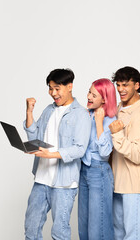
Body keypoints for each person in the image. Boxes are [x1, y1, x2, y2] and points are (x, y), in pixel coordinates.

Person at [23, 68, 91, 240]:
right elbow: (34, 137)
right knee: (31, 228)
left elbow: (79, 148)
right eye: (50, 88)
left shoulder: (81, 114)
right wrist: (29, 112)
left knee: (59, 232)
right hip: (41, 179)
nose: (53, 93)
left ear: (70, 86)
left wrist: (51, 155)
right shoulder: (48, 110)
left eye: (57, 88)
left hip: (64, 184)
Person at [109, 66, 140, 240]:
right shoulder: (120, 107)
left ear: (137, 85)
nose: (120, 89)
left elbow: (137, 154)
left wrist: (117, 134)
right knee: (118, 234)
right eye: (118, 85)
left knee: (134, 235)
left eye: (125, 85)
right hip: (118, 182)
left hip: (134, 185)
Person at [78, 78, 117, 240]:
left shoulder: (110, 120)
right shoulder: (87, 115)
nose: (89, 96)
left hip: (99, 172)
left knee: (98, 227)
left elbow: (106, 152)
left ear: (105, 99)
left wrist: (99, 123)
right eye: (89, 92)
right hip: (84, 170)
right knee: (83, 226)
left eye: (94, 95)